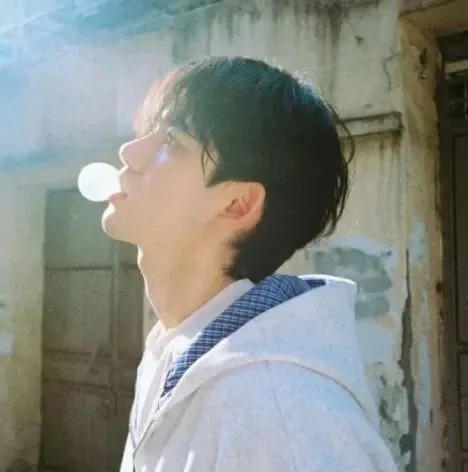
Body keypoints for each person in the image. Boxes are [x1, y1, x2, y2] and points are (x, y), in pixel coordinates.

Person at [103, 56, 399, 472]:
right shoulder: (178, 350)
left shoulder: (281, 417)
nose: (129, 152)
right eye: (147, 133)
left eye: (172, 140)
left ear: (237, 204)